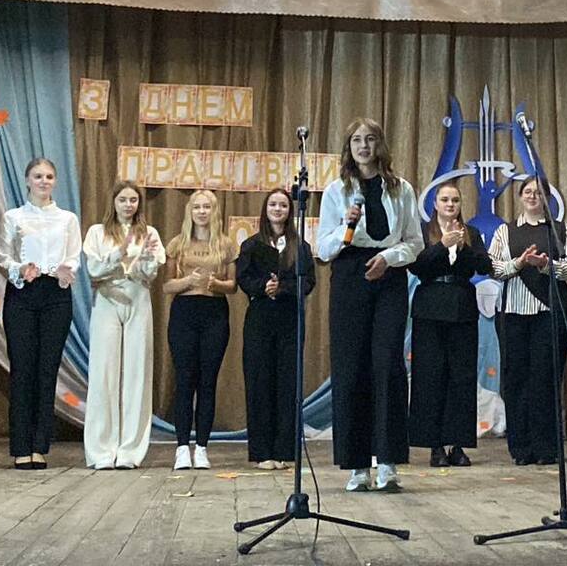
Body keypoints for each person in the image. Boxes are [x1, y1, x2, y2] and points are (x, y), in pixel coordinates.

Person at [318, 118, 423, 492]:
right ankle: (357, 466)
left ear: (381, 145)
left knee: (387, 365)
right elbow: (323, 248)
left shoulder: (401, 189)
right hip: (350, 276)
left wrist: (389, 259)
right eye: (357, 140)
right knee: (351, 367)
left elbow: (415, 242)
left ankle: (388, 463)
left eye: (370, 139)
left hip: (388, 277)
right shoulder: (336, 191)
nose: (363, 146)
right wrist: (344, 227)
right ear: (349, 147)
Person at [0, 157, 80, 470]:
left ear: (55, 181)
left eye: (49, 176)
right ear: (27, 180)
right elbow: (2, 256)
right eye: (38, 176)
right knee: (22, 369)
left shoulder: (67, 219)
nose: (44, 181)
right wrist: (19, 269)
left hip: (56, 295)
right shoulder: (13, 216)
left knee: (47, 370)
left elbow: (74, 255)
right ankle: (21, 446)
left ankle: (39, 446)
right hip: (23, 294)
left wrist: (66, 268)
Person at [489, 176, 567, 466]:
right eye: (527, 191)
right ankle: (521, 447)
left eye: (538, 192)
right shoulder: (505, 230)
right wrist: (519, 263)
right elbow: (493, 267)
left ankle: (546, 447)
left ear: (547, 198)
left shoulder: (559, 229)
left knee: (545, 380)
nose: (532, 196)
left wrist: (545, 265)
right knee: (516, 380)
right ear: (520, 196)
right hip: (512, 314)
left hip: (548, 313)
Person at [408, 181, 492, 467]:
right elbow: (416, 265)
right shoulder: (423, 231)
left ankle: (458, 444)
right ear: (435, 204)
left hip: (462, 308)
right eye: (444, 199)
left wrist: (463, 246)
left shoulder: (472, 232)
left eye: (455, 200)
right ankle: (434, 445)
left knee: (462, 377)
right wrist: (442, 246)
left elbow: (484, 266)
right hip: (430, 307)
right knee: (430, 376)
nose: (450, 204)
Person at [83, 181, 165, 470]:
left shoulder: (149, 233)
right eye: (123, 199)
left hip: (138, 299)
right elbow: (94, 270)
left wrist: (144, 258)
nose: (128, 205)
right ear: (114, 202)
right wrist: (119, 253)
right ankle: (101, 451)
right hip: (107, 301)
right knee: (103, 373)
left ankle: (130, 450)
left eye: (133, 200)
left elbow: (149, 273)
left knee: (136, 374)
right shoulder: (98, 232)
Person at [236, 189, 315, 470]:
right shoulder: (251, 245)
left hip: (289, 318)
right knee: (260, 382)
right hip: (259, 318)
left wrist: (282, 288)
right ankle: (262, 452)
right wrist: (263, 287)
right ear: (265, 209)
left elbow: (308, 282)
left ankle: (285, 451)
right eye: (273, 204)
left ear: (290, 211)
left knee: (287, 382)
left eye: (283, 205)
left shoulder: (300, 246)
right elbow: (243, 277)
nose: (278, 209)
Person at [163, 189, 237, 471]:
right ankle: (182, 447)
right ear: (190, 211)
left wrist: (216, 284)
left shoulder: (226, 245)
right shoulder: (178, 243)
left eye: (207, 207)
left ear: (214, 211)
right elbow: (167, 285)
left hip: (214, 313)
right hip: (184, 312)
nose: (202, 212)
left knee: (208, 381)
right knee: (185, 379)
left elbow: (233, 286)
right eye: (197, 207)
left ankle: (202, 447)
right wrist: (188, 282)